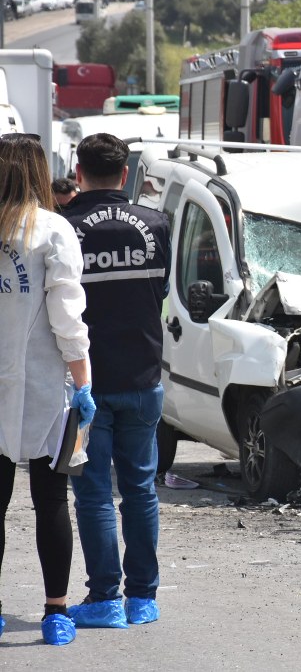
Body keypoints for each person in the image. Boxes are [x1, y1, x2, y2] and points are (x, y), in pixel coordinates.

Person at [62, 133, 170, 629]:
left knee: (93, 494)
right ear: (125, 174)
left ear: (78, 173)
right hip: (144, 377)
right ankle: (143, 599)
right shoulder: (156, 223)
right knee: (141, 489)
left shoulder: (66, 229)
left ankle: (105, 598)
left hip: (84, 384)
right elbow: (160, 291)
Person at [0, 134, 94, 646]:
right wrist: (84, 383)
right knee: (51, 500)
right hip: (45, 386)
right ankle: (56, 610)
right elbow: (67, 317)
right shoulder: (53, 229)